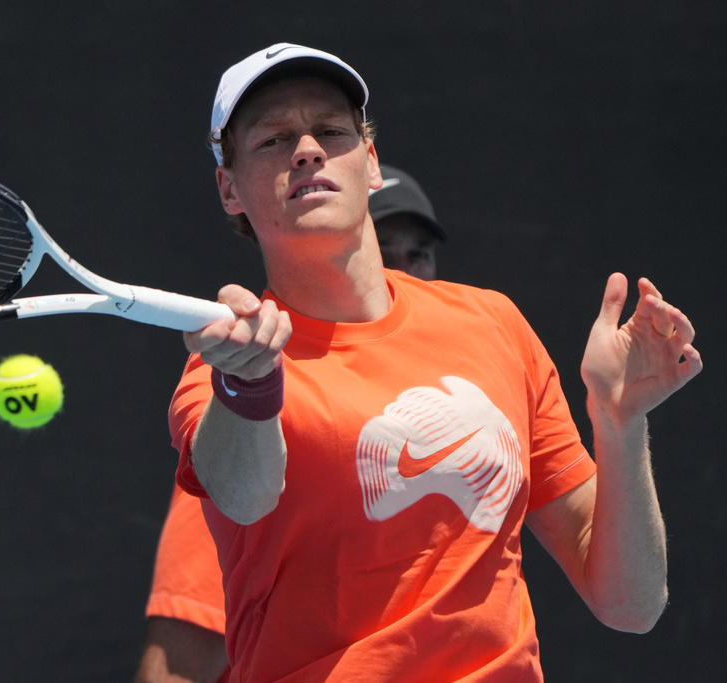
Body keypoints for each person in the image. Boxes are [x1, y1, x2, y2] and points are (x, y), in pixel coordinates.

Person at [169, 43, 702, 681]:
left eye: (331, 131)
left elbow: (631, 605)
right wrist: (249, 386)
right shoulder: (223, 369)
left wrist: (619, 423)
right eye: (273, 141)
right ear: (229, 188)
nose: (307, 149)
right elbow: (246, 497)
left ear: (370, 163)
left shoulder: (495, 323)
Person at [136, 163, 447, 683]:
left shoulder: (464, 409)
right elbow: (178, 665)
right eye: (381, 245)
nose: (402, 270)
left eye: (419, 253)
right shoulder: (254, 424)